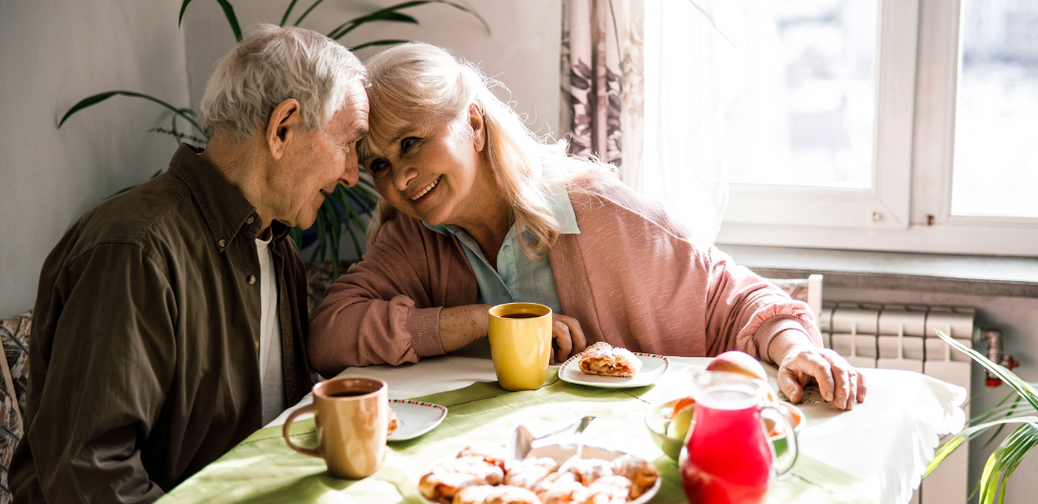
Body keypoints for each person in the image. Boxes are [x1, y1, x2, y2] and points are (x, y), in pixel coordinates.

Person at [0, 25, 369, 504]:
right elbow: (91, 468)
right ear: (283, 127)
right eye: (349, 143)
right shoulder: (134, 249)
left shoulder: (277, 246)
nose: (352, 172)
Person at [308, 42, 865, 411]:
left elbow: (733, 296)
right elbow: (328, 335)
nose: (400, 179)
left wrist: (792, 350)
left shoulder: (597, 211)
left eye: (412, 142)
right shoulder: (412, 238)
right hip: (492, 463)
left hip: (636, 454)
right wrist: (481, 322)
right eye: (379, 164)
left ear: (473, 124)